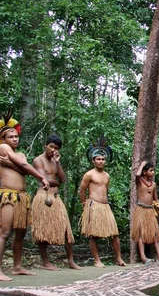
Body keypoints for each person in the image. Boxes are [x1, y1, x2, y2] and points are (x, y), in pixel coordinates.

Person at [0, 114, 50, 281]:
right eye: (11, 137)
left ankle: (17, 267)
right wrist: (41, 178)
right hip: (8, 194)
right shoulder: (2, 148)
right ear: (3, 138)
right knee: (4, 232)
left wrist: (9, 164)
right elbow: (22, 166)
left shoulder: (19, 154)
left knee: (20, 233)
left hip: (22, 197)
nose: (15, 139)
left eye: (16, 136)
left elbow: (24, 168)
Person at [28, 134, 81, 270]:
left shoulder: (55, 161)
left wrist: (58, 163)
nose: (53, 150)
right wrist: (54, 181)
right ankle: (46, 262)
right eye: (51, 146)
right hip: (43, 196)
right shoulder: (38, 160)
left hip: (56, 198)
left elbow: (62, 180)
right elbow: (43, 179)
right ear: (45, 145)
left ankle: (71, 260)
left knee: (66, 229)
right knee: (42, 229)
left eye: (56, 148)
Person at [79, 137, 125, 268]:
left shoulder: (107, 175)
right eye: (98, 159)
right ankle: (97, 260)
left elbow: (105, 190)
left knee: (114, 233)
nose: (101, 161)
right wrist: (84, 205)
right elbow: (82, 191)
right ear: (93, 160)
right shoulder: (89, 174)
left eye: (103, 159)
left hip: (105, 207)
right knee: (94, 235)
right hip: (94, 206)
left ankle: (119, 258)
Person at [132, 161, 159, 263]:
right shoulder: (139, 181)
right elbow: (137, 174)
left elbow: (156, 199)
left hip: (150, 210)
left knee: (155, 233)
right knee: (141, 233)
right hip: (141, 209)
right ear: (145, 172)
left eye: (153, 170)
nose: (153, 172)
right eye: (151, 170)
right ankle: (143, 257)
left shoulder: (153, 184)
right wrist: (141, 165)